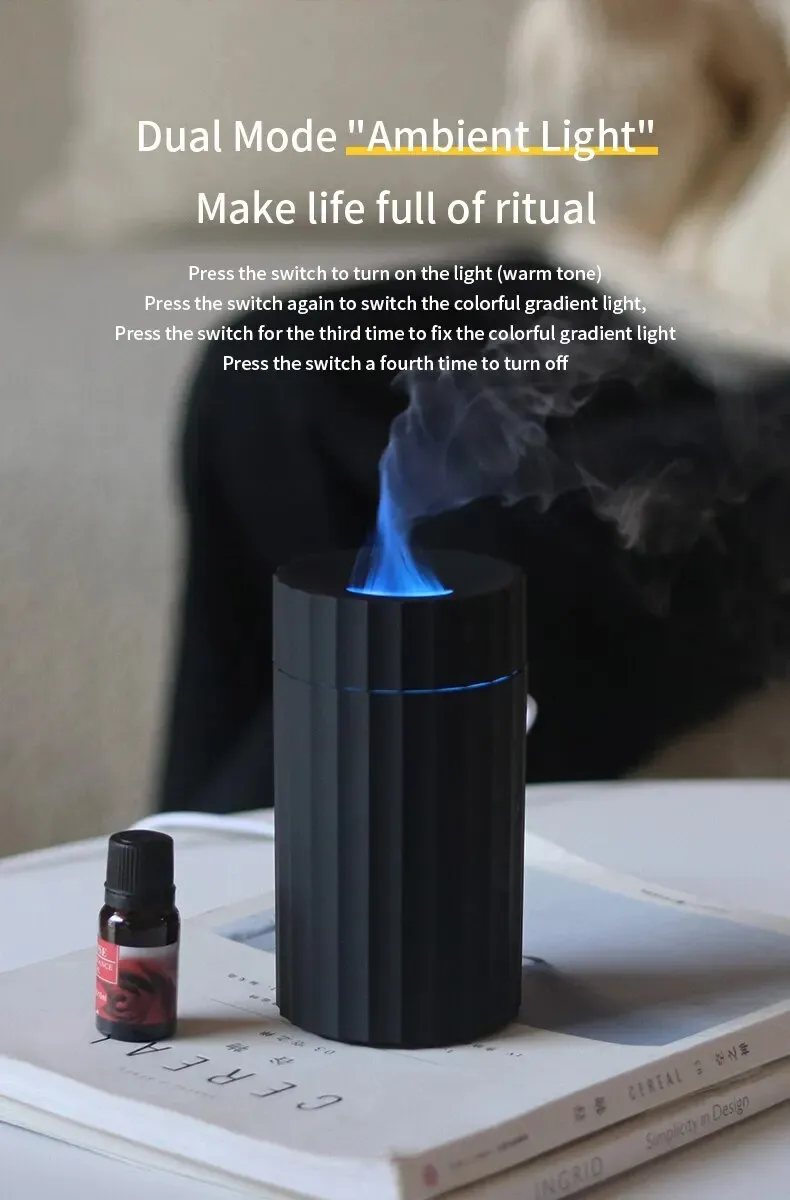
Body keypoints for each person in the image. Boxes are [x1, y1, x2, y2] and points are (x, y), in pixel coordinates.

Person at [157, 0, 790, 812]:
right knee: (272, 378)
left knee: (485, 559)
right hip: (685, 289)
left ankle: (254, 859)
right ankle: (185, 856)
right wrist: (627, 24)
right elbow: (619, 186)